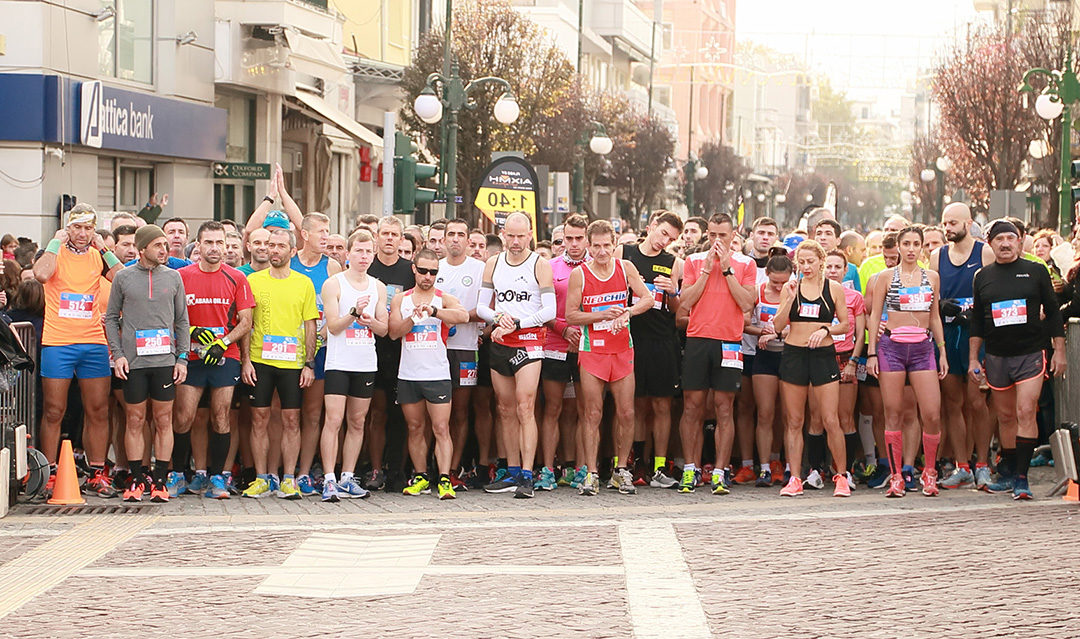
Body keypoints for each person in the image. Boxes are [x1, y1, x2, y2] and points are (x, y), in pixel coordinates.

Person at [970, 219, 1067, 500]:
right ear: (990, 244)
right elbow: (977, 321)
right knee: (1006, 416)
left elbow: (1053, 311)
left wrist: (1059, 351)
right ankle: (1010, 472)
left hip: (1031, 353)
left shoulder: (1036, 271)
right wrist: (973, 359)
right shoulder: (982, 276)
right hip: (997, 355)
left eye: (1011, 238)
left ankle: (1023, 478)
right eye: (999, 239)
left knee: (1026, 411)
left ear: (1020, 240)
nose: (1005, 244)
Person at [34, 203, 124, 496]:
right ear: (67, 227)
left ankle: (98, 472)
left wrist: (105, 249)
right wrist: (55, 241)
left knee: (97, 410)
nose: (83, 233)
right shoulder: (54, 251)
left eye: (88, 228)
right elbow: (42, 275)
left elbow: (124, 281)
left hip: (93, 342)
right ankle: (48, 473)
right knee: (53, 411)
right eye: (77, 227)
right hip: (58, 342)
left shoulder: (98, 256)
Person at [566, 220, 654, 495]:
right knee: (592, 413)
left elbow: (647, 298)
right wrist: (600, 315)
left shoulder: (625, 267)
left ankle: (621, 470)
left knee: (627, 412)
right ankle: (591, 472)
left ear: (615, 244)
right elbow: (571, 315)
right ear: (589, 247)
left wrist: (627, 312)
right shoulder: (580, 275)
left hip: (622, 350)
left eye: (607, 245)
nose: (602, 251)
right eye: (597, 246)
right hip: (593, 351)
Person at [104, 224, 190, 502]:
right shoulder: (124, 278)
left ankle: (161, 480)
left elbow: (182, 321)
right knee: (135, 419)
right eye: (158, 245)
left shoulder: (174, 277)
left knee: (164, 419)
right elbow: (110, 318)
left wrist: (182, 358)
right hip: (134, 363)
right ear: (142, 249)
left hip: (165, 361)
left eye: (165, 245)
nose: (164, 250)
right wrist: (118, 355)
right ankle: (137, 479)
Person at [172, 221, 254, 499]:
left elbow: (246, 322)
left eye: (220, 243)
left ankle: (218, 477)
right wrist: (192, 331)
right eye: (209, 243)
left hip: (224, 356)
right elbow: (172, 315)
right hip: (191, 356)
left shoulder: (237, 278)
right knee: (184, 417)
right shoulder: (181, 276)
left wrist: (225, 342)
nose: (215, 248)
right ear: (198, 245)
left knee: (221, 416)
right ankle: (179, 474)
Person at [676, 213, 756, 494]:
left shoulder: (747, 263)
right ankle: (690, 469)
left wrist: (726, 270)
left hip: (729, 341)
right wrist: (708, 270)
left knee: (724, 407)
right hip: (698, 339)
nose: (717, 241)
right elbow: (684, 302)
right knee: (692, 407)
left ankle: (720, 471)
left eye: (722, 235)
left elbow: (747, 303)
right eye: (712, 235)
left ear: (733, 235)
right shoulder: (694, 261)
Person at [477, 212, 556, 499]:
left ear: (530, 234)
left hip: (530, 342)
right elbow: (482, 306)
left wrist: (517, 323)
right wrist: (499, 317)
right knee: (504, 408)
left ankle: (526, 473)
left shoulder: (540, 264)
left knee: (525, 407)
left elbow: (550, 310)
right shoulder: (493, 263)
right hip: (501, 341)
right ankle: (510, 471)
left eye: (521, 236)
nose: (515, 242)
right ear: (503, 234)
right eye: (510, 235)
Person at [867, 226, 948, 498]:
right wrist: (871, 352)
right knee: (893, 412)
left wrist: (942, 350)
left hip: (923, 348)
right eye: (907, 243)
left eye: (916, 243)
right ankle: (897, 475)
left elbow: (935, 315)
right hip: (892, 348)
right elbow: (875, 315)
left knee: (932, 413)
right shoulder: (885, 277)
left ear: (923, 246)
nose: (911, 249)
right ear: (898, 246)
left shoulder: (932, 277)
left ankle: (930, 471)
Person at [240, 228, 319, 499]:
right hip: (260, 360)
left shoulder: (303, 283)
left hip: (292, 362)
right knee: (259, 418)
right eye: (271, 246)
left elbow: (311, 325)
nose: (273, 250)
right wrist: (246, 361)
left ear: (292, 251)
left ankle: (288, 478)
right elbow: (246, 324)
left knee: (291, 420)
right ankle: (262, 478)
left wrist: (309, 363)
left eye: (280, 246)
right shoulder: (253, 281)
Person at [390, 249, 471, 499]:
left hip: (437, 373)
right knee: (415, 427)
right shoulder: (400, 299)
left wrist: (435, 312)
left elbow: (463, 315)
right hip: (409, 373)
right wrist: (413, 319)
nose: (428, 276)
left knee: (441, 427)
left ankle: (444, 478)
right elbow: (393, 332)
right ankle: (422, 475)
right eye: (423, 271)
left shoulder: (442, 297)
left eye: (433, 272)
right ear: (414, 269)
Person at [772, 241, 849, 497]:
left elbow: (845, 325)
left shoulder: (833, 288)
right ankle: (795, 477)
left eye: (810, 262)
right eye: (801, 262)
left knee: (830, 419)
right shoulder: (790, 287)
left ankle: (841, 475)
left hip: (823, 354)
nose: (806, 267)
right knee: (794, 420)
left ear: (821, 262)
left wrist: (825, 329)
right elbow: (778, 324)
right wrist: (790, 298)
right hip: (794, 353)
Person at [319, 229, 387, 502]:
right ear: (348, 254)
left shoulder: (377, 286)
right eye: (358, 251)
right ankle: (329, 479)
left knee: (357, 422)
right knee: (333, 420)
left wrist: (370, 321)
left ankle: (348, 476)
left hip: (365, 362)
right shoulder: (334, 284)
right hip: (338, 361)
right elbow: (332, 327)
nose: (363, 256)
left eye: (368, 251)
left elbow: (384, 329)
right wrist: (353, 313)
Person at [617, 211, 684, 488]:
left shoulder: (673, 262)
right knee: (633, 405)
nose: (664, 241)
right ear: (652, 227)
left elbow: (678, 313)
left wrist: (672, 292)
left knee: (661, 404)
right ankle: (632, 462)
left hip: (661, 339)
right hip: (629, 337)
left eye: (671, 238)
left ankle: (659, 465)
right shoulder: (626, 252)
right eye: (663, 233)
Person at [932, 202, 995, 490]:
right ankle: (961, 465)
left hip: (976, 337)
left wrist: (980, 312)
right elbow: (932, 297)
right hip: (948, 335)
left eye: (953, 223)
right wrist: (940, 305)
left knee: (977, 401)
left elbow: (997, 292)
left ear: (968, 223)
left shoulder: (984, 251)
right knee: (951, 403)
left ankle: (982, 463)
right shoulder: (937, 255)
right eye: (945, 223)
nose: (948, 229)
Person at [289, 212, 343, 496]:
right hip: (287, 348)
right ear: (305, 234)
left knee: (312, 414)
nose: (326, 237)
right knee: (286, 413)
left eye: (328, 231)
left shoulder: (332, 266)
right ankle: (281, 471)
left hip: (321, 349)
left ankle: (304, 472)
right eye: (321, 231)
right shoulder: (290, 263)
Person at [434, 218, 485, 490]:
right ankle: (436, 468)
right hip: (434, 349)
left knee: (461, 412)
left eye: (460, 234)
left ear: (468, 240)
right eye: (450, 234)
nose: (455, 239)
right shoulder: (433, 268)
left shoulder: (480, 268)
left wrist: (459, 317)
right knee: (439, 414)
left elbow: (485, 308)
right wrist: (444, 317)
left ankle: (453, 469)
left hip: (466, 348)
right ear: (443, 239)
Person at [365, 216, 415, 491]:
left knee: (401, 415)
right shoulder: (366, 267)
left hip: (402, 350)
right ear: (377, 237)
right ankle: (375, 469)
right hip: (368, 349)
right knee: (376, 413)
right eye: (384, 233)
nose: (389, 238)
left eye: (394, 234)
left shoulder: (410, 270)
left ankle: (398, 470)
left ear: (400, 239)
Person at [539, 214, 588, 490]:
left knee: (584, 411)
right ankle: (547, 469)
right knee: (553, 410)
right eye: (568, 239)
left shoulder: (596, 267)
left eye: (579, 239)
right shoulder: (549, 266)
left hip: (586, 348)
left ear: (587, 239)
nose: (573, 244)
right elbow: (541, 308)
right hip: (555, 346)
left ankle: (581, 468)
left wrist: (579, 332)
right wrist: (562, 329)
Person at [747, 255, 794, 486]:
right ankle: (764, 466)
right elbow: (745, 323)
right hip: (764, 356)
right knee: (765, 413)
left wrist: (777, 333)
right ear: (767, 275)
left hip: (788, 355)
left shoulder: (795, 292)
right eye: (775, 282)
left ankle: (784, 464)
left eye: (783, 282)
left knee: (788, 415)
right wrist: (762, 333)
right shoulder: (756, 292)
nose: (779, 287)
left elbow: (801, 325)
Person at [824, 250, 866, 490]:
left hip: (845, 357)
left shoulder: (854, 297)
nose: (832, 271)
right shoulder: (812, 294)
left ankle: (846, 470)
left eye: (837, 267)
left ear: (845, 270)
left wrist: (853, 361)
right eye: (828, 266)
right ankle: (818, 469)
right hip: (819, 357)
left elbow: (861, 333)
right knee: (819, 417)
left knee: (845, 417)